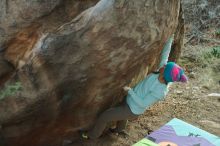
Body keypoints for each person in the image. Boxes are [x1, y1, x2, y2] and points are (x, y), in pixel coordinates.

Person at [80, 35, 188, 139]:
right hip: (130, 100)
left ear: (164, 76)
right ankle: (119, 130)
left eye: (165, 67)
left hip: (132, 110)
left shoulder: (160, 92)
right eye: (165, 65)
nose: (164, 65)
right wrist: (170, 37)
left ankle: (92, 136)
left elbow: (143, 103)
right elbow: (166, 54)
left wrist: (130, 91)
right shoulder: (162, 72)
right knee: (121, 115)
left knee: (105, 116)